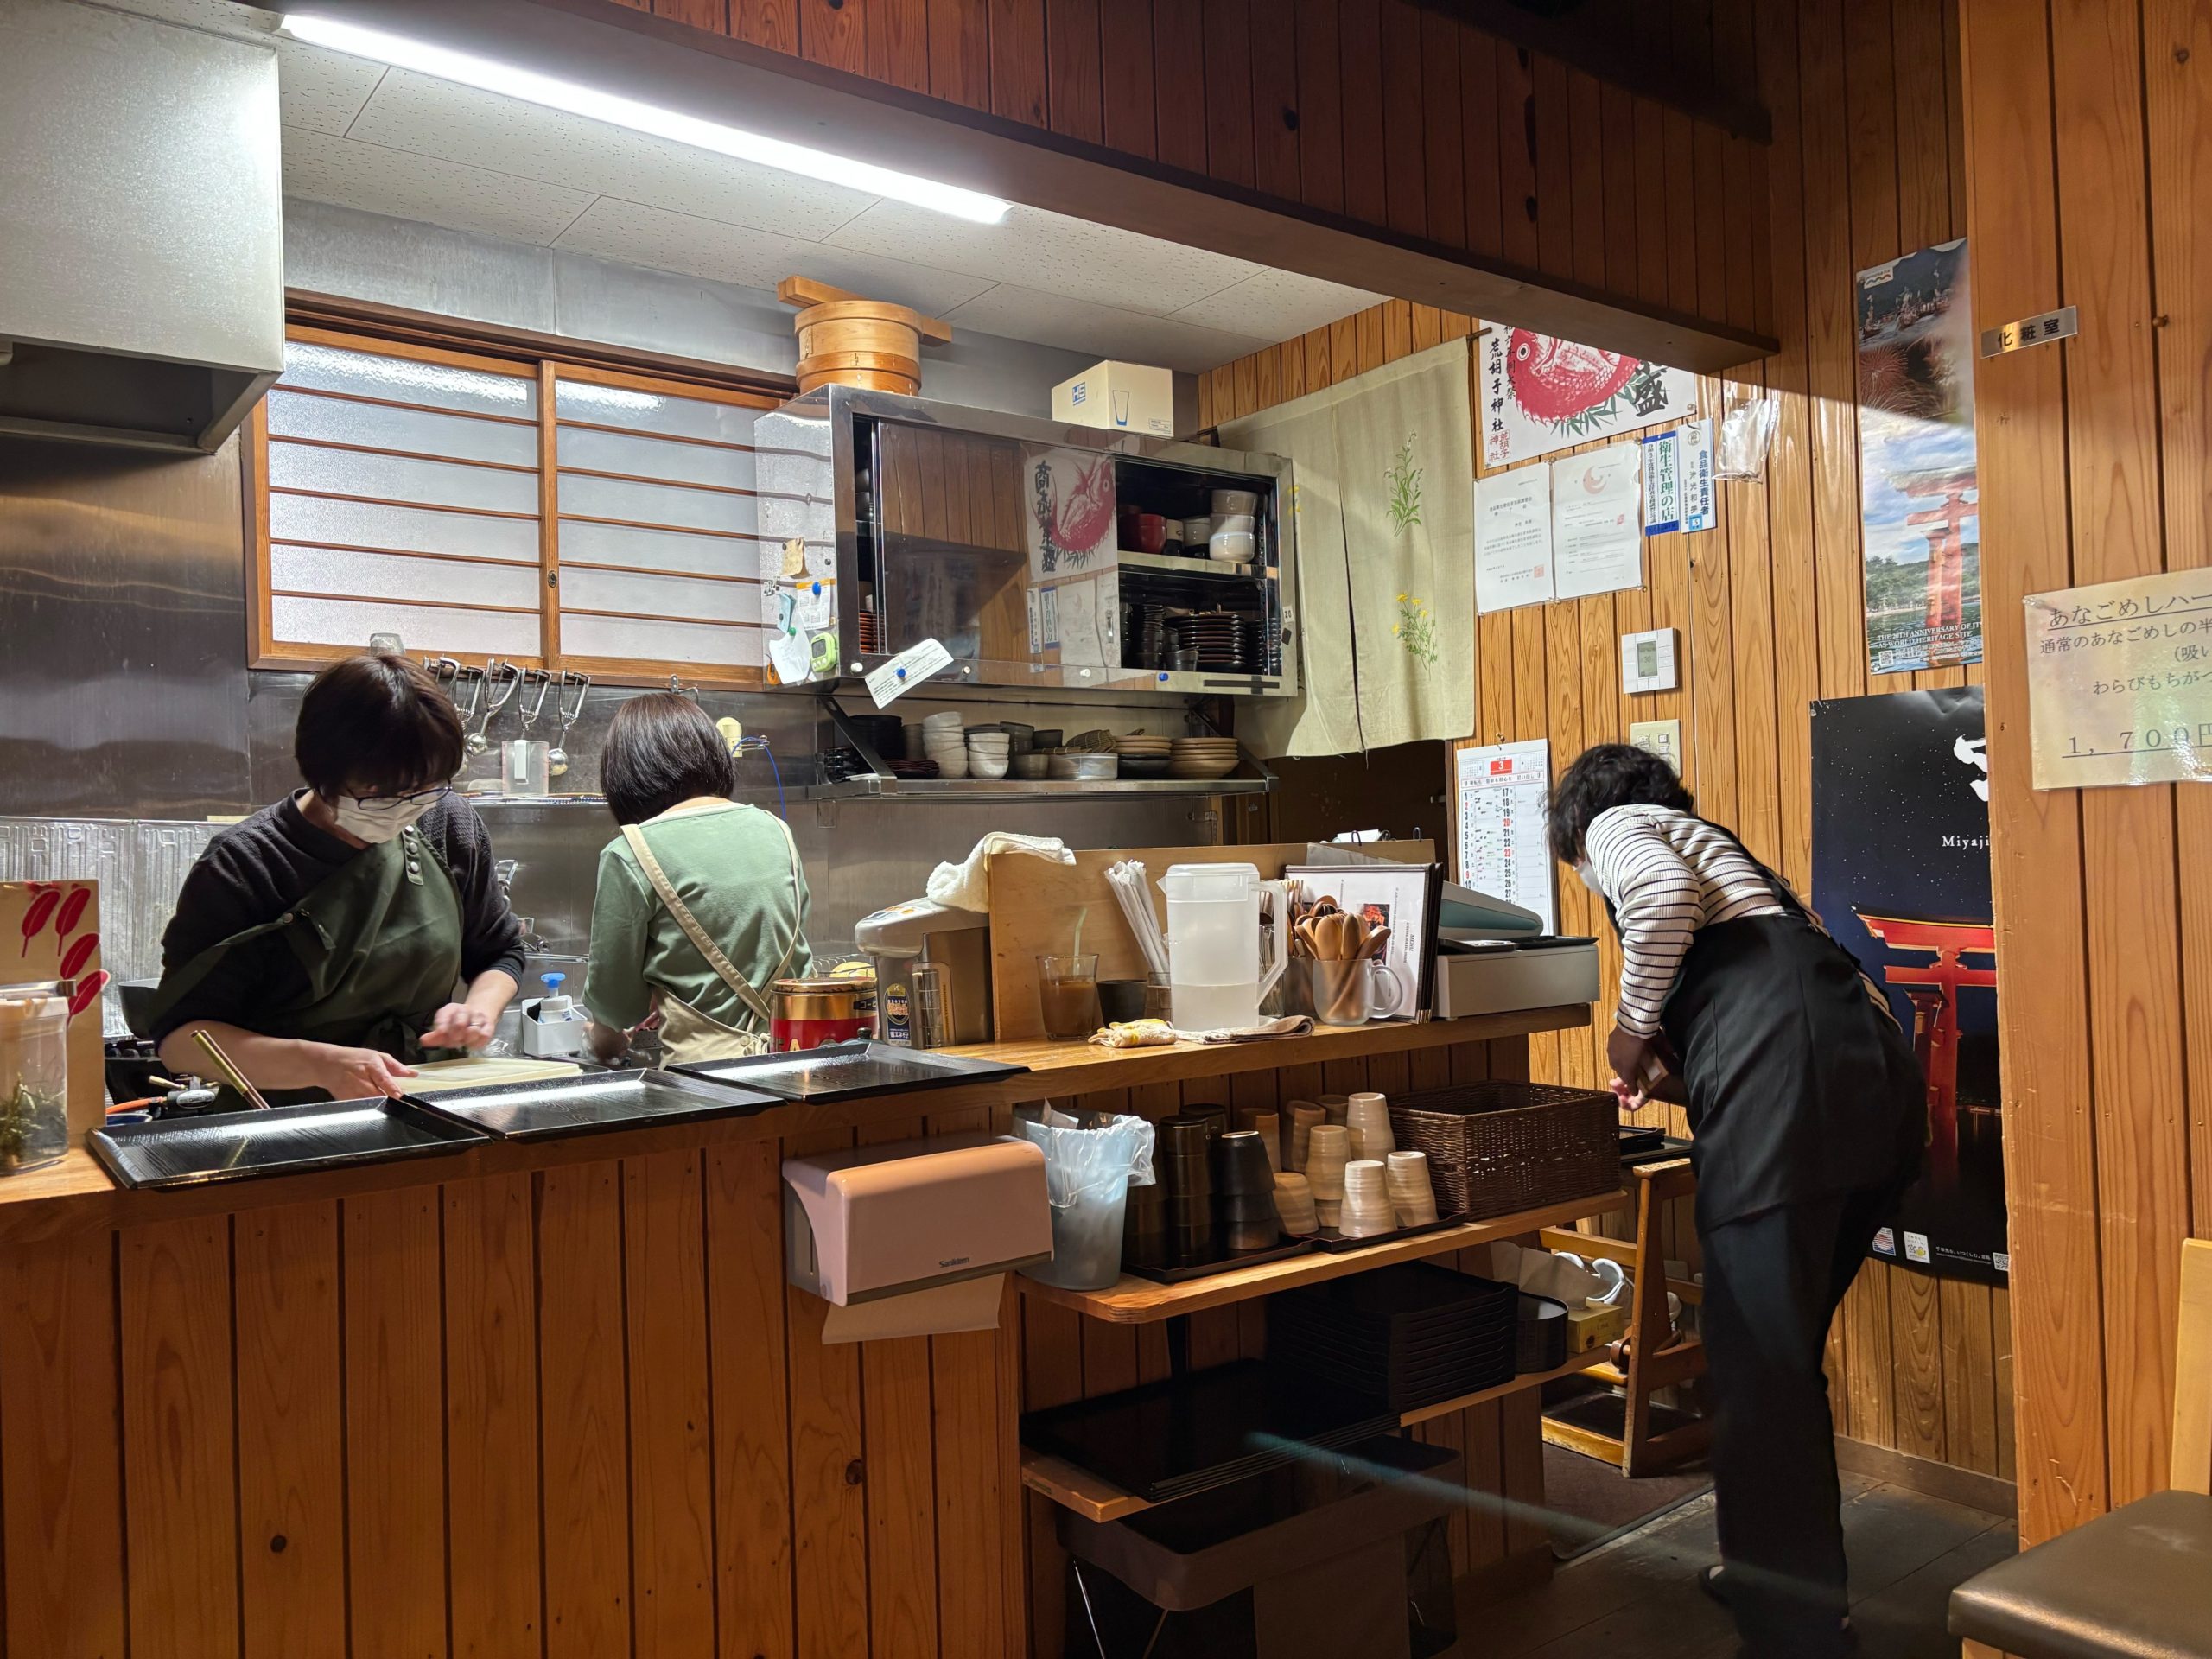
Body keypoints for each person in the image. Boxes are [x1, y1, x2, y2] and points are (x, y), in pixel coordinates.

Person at [1547, 743, 1924, 1659]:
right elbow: (1766, 1022)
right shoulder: (1739, 870)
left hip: (1790, 1088)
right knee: (1775, 1358)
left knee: (1758, 1366)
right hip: (1875, 1089)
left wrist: (1628, 1034)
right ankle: (1771, 1579)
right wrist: (1666, 1071)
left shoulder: (1620, 823)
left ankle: (1798, 1629)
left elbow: (1661, 900)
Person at [150, 653, 523, 1103]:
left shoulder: (447, 824)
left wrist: (477, 1011)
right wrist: (321, 1064)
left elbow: (500, 952)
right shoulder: (246, 864)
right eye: (378, 794)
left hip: (427, 1103)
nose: (406, 807)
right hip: (284, 1120)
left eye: (425, 789)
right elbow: (181, 1040)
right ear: (321, 770)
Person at [582, 693, 810, 1064]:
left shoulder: (631, 851)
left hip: (706, 1077)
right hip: (798, 1054)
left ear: (626, 775)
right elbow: (793, 958)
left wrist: (601, 1039)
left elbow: (617, 1003)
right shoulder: (776, 830)